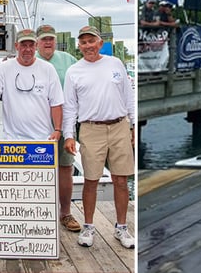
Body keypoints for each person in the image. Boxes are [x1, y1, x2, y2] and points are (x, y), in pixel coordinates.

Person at [63, 26, 135, 249]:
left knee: (121, 180)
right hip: (90, 128)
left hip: (119, 126)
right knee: (91, 180)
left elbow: (129, 95)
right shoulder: (74, 71)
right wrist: (69, 135)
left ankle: (121, 227)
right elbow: (69, 107)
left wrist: (134, 124)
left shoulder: (115, 64)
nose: (87, 46)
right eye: (83, 42)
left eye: (91, 41)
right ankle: (88, 226)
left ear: (100, 43)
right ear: (79, 46)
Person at [0, 28, 64, 144]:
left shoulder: (48, 69)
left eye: (31, 45)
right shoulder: (4, 68)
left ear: (36, 46)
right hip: (12, 141)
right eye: (23, 45)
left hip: (43, 140)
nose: (27, 49)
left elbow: (56, 103)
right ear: (16, 46)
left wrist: (57, 129)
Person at [34, 24, 80, 232]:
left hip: (64, 125)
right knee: (36, 171)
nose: (47, 42)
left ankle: (65, 213)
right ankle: (37, 213)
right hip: (36, 126)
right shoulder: (28, 60)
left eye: (50, 38)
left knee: (65, 168)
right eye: (44, 39)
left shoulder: (68, 60)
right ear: (37, 43)